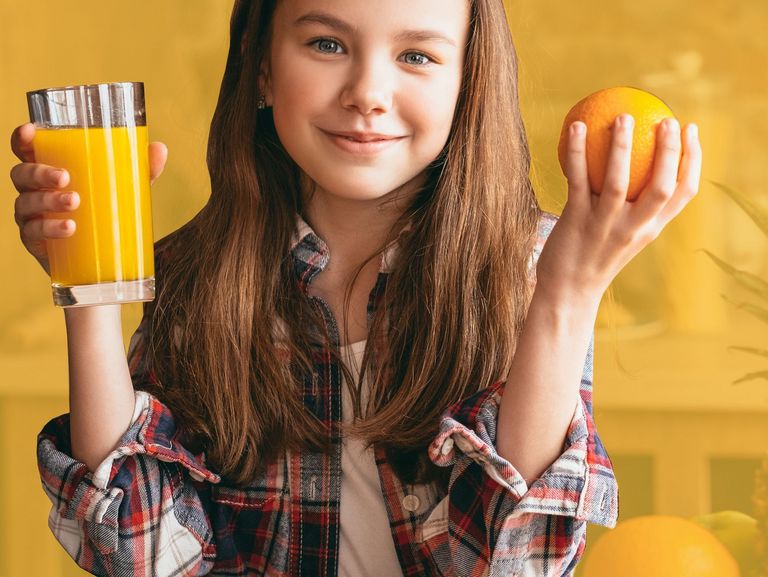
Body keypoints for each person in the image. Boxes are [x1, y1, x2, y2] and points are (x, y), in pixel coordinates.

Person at [10, 0, 701, 575]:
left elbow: (512, 562)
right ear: (261, 68)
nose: (368, 93)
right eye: (326, 43)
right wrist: (90, 291)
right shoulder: (199, 277)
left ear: (468, 83)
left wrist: (566, 297)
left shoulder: (530, 267)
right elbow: (142, 553)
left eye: (417, 56)